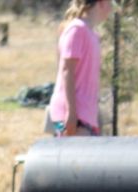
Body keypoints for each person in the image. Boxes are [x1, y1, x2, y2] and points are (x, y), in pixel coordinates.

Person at [46, 0, 111, 137]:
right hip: (72, 116)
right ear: (101, 2)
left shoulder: (92, 34)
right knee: (75, 158)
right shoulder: (77, 30)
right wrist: (71, 113)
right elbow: (67, 70)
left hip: (85, 115)